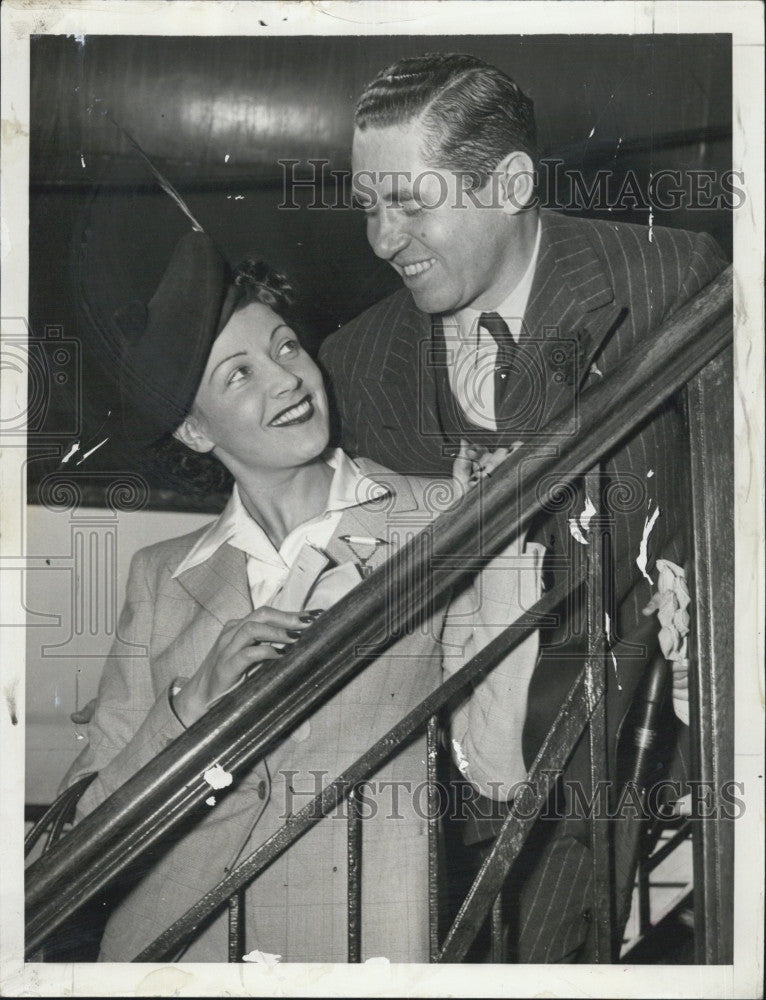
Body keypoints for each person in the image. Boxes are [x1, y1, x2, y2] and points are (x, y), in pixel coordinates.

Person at [318, 52, 728, 961]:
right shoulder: (353, 365)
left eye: (410, 202)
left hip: (636, 749)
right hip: (444, 802)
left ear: (509, 182)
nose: (384, 239)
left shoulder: (672, 280)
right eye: (366, 205)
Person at [59, 229, 545, 963]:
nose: (286, 380)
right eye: (239, 375)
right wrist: (190, 706)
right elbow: (78, 831)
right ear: (193, 431)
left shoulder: (437, 517)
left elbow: (495, 768)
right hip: (173, 951)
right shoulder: (160, 577)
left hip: (358, 940)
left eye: (287, 347)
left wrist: (504, 554)